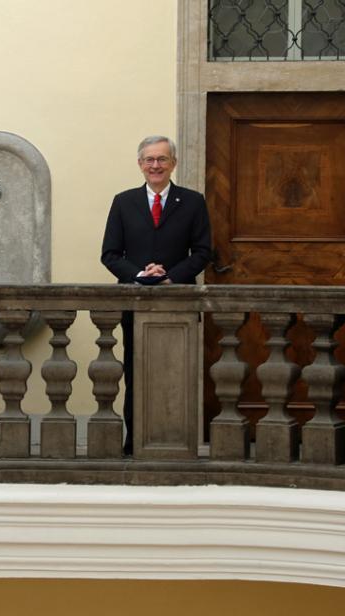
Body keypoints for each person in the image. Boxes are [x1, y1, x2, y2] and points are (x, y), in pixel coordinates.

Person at [100, 135, 212, 454]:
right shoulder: (124, 202)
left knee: (178, 373)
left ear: (173, 163)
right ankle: (134, 441)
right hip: (135, 303)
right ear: (140, 165)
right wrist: (140, 275)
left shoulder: (192, 202)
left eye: (162, 159)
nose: (156, 166)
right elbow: (110, 254)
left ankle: (176, 441)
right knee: (137, 373)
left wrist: (170, 277)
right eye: (149, 160)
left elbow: (203, 251)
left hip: (179, 302)